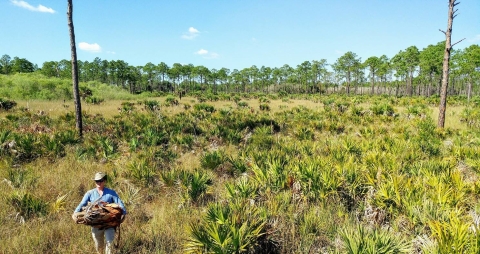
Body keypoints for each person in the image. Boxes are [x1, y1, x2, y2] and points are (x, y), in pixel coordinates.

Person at [73, 172, 127, 254]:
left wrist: (123, 213)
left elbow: (120, 204)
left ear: (104, 181)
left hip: (109, 223)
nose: (99, 183)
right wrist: (75, 213)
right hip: (96, 224)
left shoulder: (111, 193)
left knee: (110, 245)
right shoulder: (90, 193)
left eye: (100, 180)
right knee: (99, 246)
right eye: (97, 181)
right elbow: (82, 204)